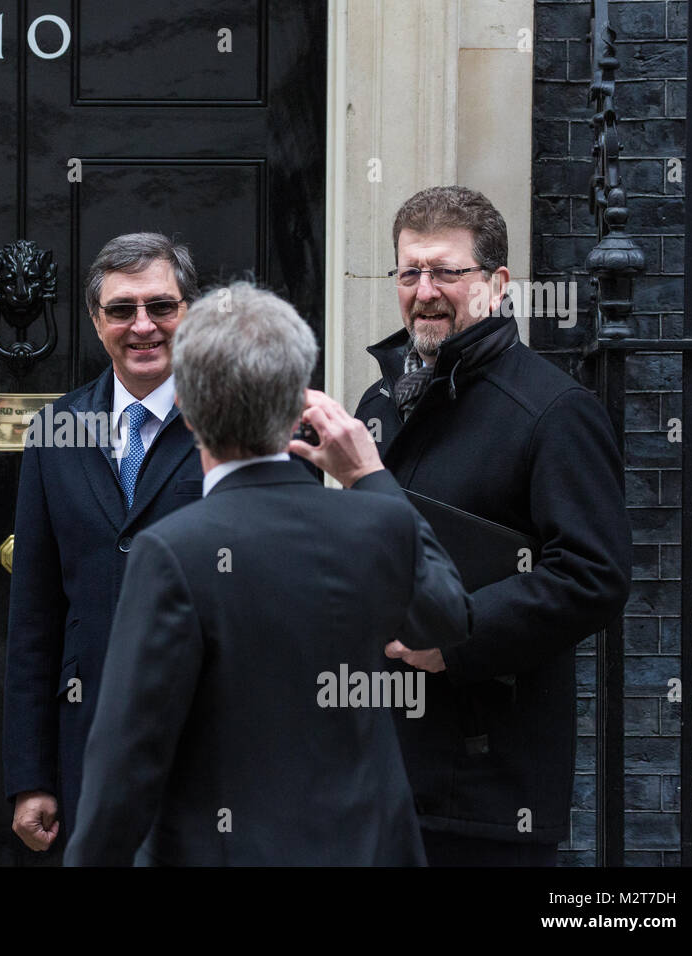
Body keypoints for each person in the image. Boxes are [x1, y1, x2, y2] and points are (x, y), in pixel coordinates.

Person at [65, 282, 472, 865]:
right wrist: (372, 477)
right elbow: (450, 618)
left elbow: (128, 759)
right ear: (300, 400)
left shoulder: (173, 552)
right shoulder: (375, 522)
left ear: (186, 406)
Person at [351, 185, 632, 865]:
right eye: (410, 271)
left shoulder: (556, 410)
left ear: (497, 284)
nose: (424, 291)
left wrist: (455, 637)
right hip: (377, 776)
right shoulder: (377, 403)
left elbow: (594, 576)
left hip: (486, 792)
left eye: (447, 271)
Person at [4, 232, 204, 853]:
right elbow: (34, 615)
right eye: (121, 310)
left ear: (188, 312)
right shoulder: (56, 429)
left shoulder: (237, 423)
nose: (142, 325)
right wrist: (30, 776)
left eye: (160, 307)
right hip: (85, 743)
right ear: (96, 321)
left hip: (205, 746)